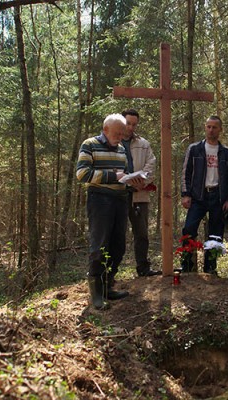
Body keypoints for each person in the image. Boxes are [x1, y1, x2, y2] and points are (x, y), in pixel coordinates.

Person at [76, 113, 130, 310]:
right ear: (105, 129)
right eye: (117, 133)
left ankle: (108, 286)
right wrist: (113, 176)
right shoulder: (90, 144)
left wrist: (133, 180)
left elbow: (123, 175)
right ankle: (97, 294)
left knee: (118, 246)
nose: (120, 137)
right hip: (100, 200)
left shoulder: (122, 149)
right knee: (99, 246)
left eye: (122, 133)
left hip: (120, 200)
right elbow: (82, 173)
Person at [180, 116, 228, 274]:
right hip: (198, 195)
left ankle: (211, 267)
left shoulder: (226, 152)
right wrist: (185, 194)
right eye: (208, 126)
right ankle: (187, 266)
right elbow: (186, 172)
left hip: (218, 196)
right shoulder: (194, 149)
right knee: (189, 229)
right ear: (205, 127)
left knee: (215, 233)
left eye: (214, 127)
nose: (211, 130)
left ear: (220, 129)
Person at [121, 109, 161, 277]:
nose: (130, 127)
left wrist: (141, 182)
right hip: (118, 195)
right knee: (116, 232)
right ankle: (109, 272)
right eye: (128, 123)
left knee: (142, 232)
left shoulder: (143, 144)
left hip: (140, 194)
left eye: (134, 124)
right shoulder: (112, 142)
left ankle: (143, 267)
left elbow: (151, 164)